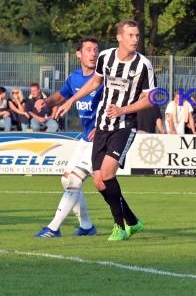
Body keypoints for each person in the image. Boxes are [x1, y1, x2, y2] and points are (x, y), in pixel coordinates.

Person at [56, 19, 155, 241]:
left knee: (108, 173)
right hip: (102, 126)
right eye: (130, 35)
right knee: (99, 181)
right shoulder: (106, 58)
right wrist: (70, 100)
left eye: (137, 35)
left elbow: (150, 98)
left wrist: (124, 109)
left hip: (124, 126)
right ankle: (133, 221)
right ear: (119, 37)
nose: (135, 39)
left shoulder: (143, 65)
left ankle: (119, 226)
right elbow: (94, 82)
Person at [34, 38, 103, 238]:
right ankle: (87, 226)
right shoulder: (74, 78)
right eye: (88, 50)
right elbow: (62, 95)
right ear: (78, 54)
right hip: (86, 139)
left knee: (74, 179)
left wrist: (102, 126)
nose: (93, 54)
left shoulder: (104, 79)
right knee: (67, 181)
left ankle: (53, 228)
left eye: (96, 50)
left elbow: (114, 105)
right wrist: (46, 101)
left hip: (102, 138)